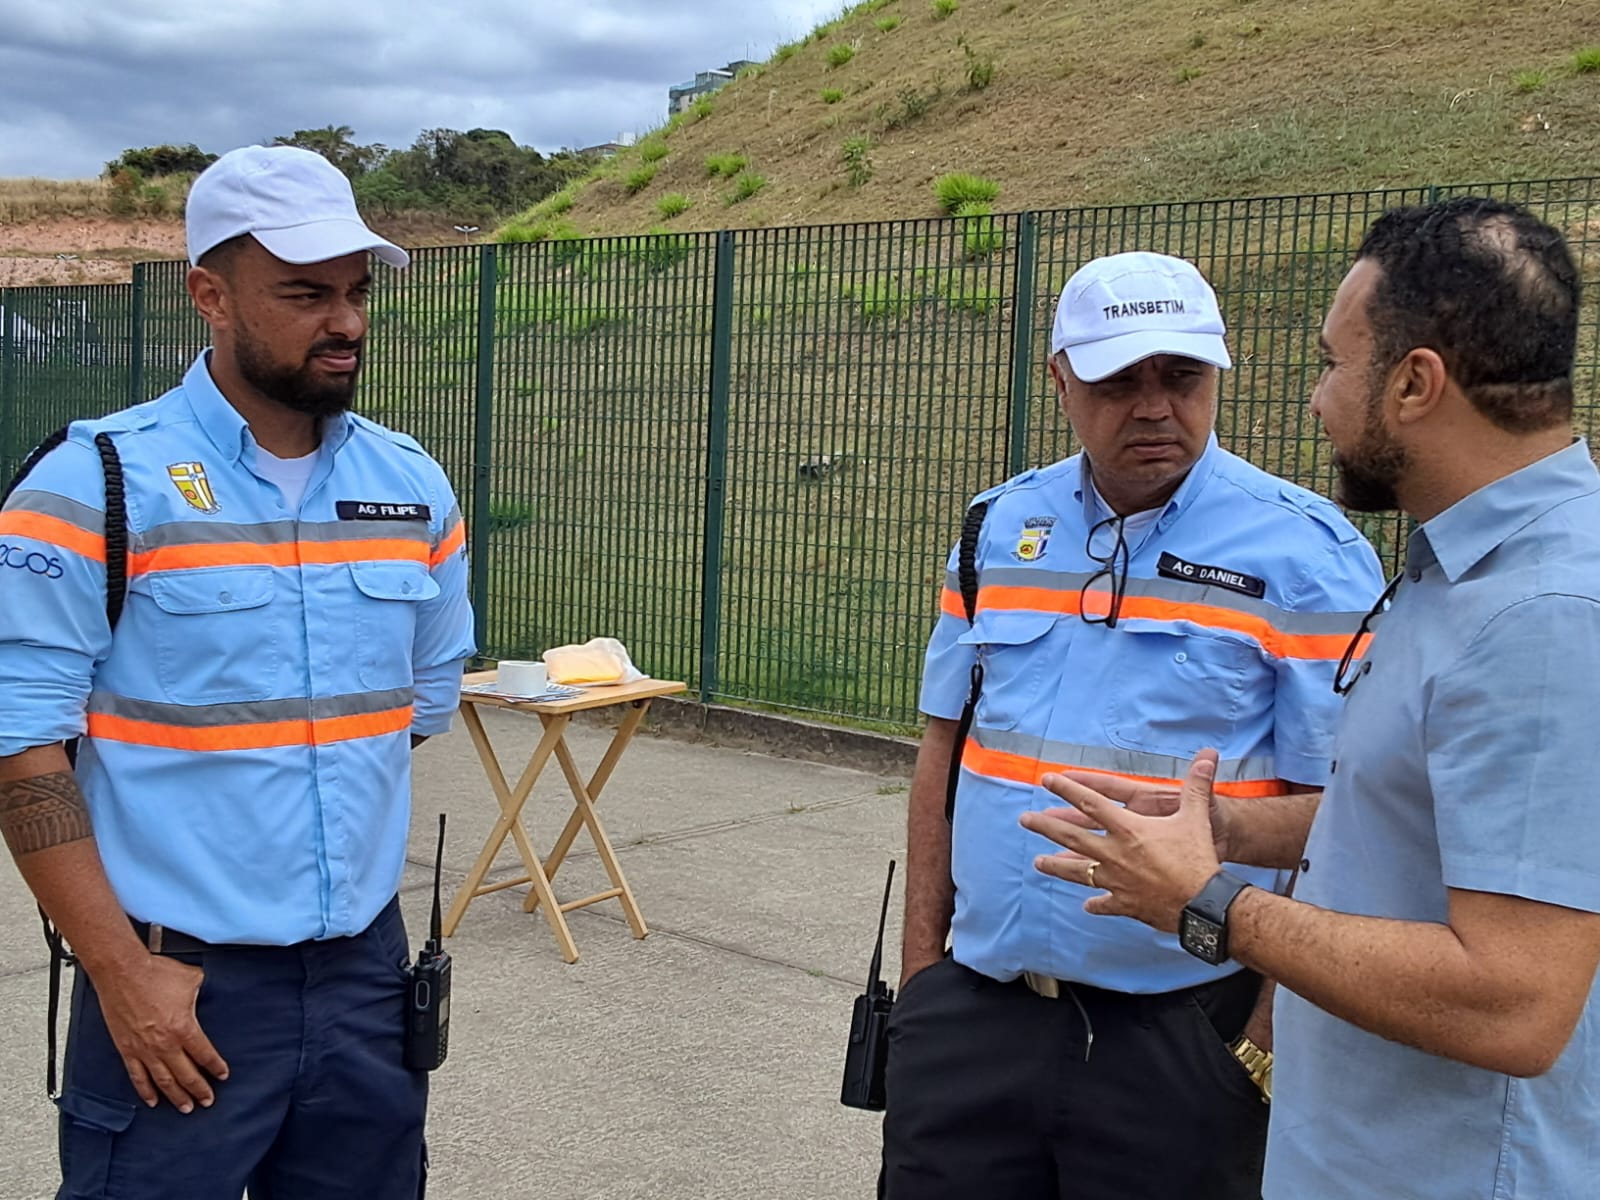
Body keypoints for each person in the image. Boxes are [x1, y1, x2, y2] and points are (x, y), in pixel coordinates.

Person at [1025, 197, 1600, 1199]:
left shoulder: (1545, 616)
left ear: (1415, 383)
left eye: (1334, 365)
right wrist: (1232, 833)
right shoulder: (1462, 572)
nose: (1316, 401)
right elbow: (1429, 822)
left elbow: (1513, 1003)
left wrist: (1204, 903)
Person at [0, 145, 476, 1199]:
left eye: (354, 293)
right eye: (305, 293)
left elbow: (408, 718)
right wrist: (123, 974)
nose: (344, 321)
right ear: (208, 295)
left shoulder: (414, 490)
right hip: (176, 989)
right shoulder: (93, 486)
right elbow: (20, 751)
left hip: (365, 979)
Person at [883, 250, 1386, 1198]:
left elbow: (1352, 814)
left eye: (1182, 377)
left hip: (1185, 1039)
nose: (1155, 405)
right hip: (974, 1024)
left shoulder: (1309, 556)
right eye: (1119, 379)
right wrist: (923, 980)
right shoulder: (996, 529)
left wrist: (1260, 1046)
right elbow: (944, 754)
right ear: (1060, 379)